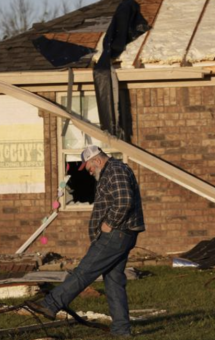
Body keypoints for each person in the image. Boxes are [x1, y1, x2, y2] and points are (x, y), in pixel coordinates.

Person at [26, 144, 145, 337]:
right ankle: (121, 330)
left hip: (117, 233)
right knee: (114, 282)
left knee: (83, 272)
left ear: (97, 160)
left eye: (89, 167)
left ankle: (51, 304)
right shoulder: (113, 170)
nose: (89, 172)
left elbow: (124, 200)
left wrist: (109, 222)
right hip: (123, 234)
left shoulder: (115, 170)